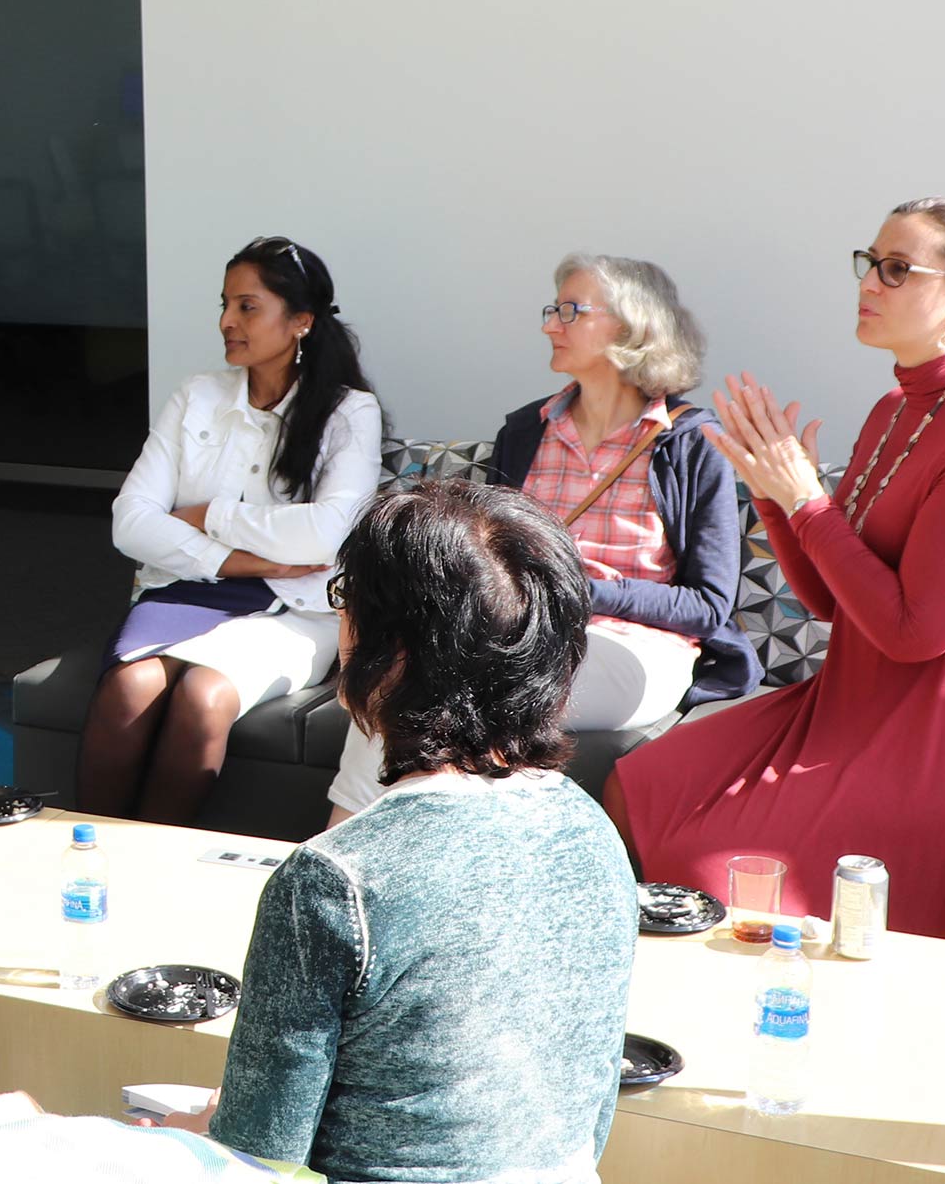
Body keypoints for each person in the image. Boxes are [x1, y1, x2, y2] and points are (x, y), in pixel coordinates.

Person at [605, 198, 945, 950]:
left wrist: (804, 499)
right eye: (870, 262)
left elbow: (911, 633)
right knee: (640, 787)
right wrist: (772, 490)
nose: (870, 282)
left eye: (897, 269)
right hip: (852, 705)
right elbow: (830, 600)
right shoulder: (898, 405)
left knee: (715, 865)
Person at [202, 479, 636, 1182]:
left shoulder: (331, 880)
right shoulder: (588, 829)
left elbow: (256, 1160)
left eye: (344, 600)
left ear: (387, 649)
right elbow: (582, 1110)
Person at [327, 255, 752, 823]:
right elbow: (478, 551)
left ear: (631, 326)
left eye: (569, 311)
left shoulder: (693, 443)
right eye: (553, 309)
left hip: (638, 649)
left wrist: (587, 592)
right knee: (396, 691)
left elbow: (709, 605)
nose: (550, 324)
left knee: (435, 692)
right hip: (521, 632)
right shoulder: (527, 430)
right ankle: (337, 858)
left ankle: (358, 861)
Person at [75, 236, 381, 825]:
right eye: (224, 304)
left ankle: (160, 864)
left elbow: (326, 537)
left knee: (203, 696)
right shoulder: (196, 396)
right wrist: (244, 559)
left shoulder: (349, 413)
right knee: (127, 689)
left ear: (300, 322)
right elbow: (130, 521)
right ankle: (91, 853)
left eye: (247, 307)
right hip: (188, 589)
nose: (226, 322)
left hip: (297, 607)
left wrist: (208, 515)